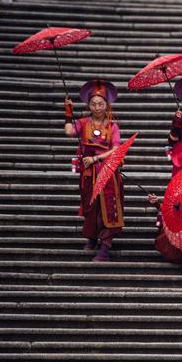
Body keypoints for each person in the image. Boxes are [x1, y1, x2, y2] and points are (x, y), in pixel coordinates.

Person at [64, 79, 123, 261]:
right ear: (88, 105)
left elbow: (116, 148)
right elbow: (69, 132)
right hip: (89, 173)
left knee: (109, 208)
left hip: (108, 173)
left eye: (100, 103)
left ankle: (105, 246)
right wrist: (68, 112)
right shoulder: (83, 122)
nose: (97, 107)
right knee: (90, 206)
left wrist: (97, 158)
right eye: (93, 104)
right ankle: (91, 237)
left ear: (107, 105)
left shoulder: (112, 125)